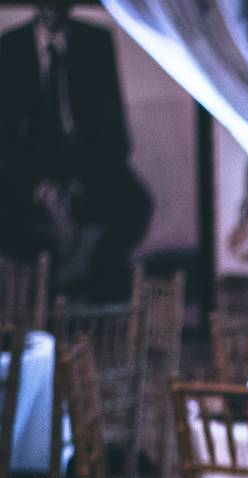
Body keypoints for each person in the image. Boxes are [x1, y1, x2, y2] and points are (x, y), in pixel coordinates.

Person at [0, 0, 153, 301]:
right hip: (30, 171)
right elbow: (4, 141)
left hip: (85, 167)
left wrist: (79, 188)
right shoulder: (10, 48)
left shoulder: (95, 42)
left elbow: (115, 134)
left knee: (135, 205)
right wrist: (39, 189)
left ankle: (98, 288)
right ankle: (42, 296)